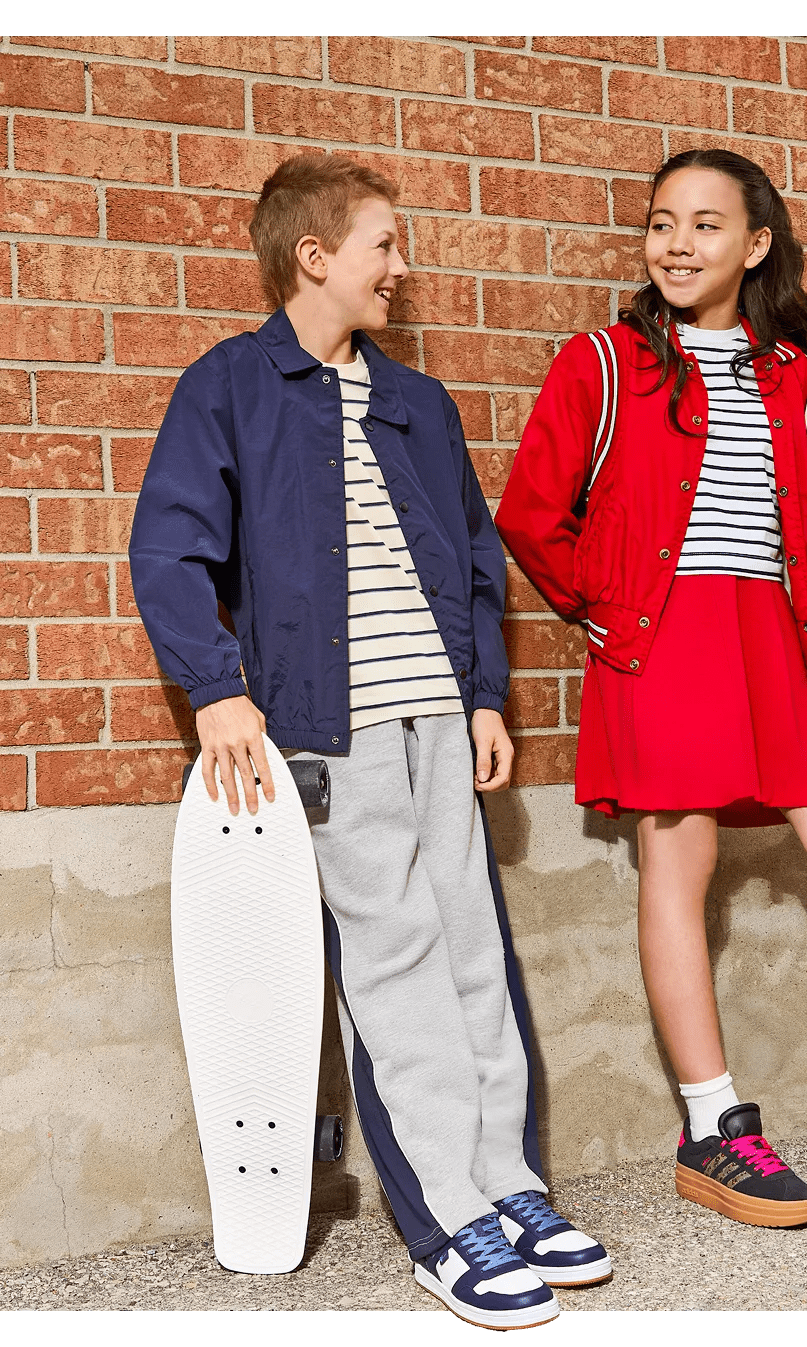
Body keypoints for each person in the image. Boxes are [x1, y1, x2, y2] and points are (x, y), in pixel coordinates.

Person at [129, 152, 611, 1329]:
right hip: (322, 736)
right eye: (384, 244)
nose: (402, 266)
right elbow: (167, 549)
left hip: (438, 721)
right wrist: (214, 691)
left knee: (470, 951)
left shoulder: (419, 403)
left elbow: (473, 563)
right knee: (393, 975)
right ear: (315, 256)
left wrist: (486, 696)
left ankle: (511, 1187)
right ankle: (443, 1220)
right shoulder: (230, 388)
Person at [496, 148, 807, 1227]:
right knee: (684, 857)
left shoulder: (806, 384)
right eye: (662, 222)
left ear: (755, 245)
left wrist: (777, 623)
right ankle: (711, 1127)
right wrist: (607, 611)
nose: (677, 244)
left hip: (771, 643)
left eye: (705, 225)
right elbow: (533, 512)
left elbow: (802, 524)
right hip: (659, 641)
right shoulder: (601, 363)